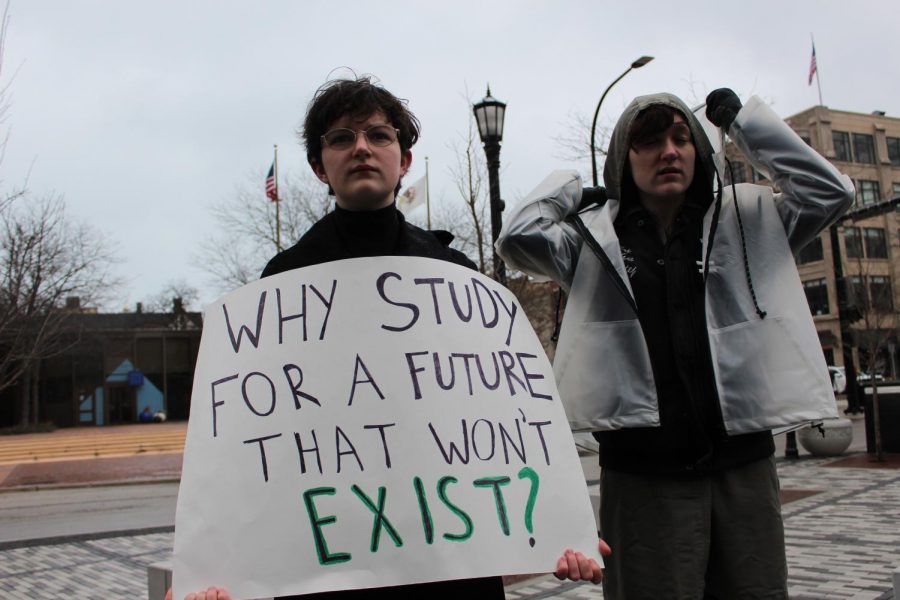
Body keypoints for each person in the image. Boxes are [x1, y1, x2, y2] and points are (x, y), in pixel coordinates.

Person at [170, 75, 606, 600]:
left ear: (403, 160)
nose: (360, 148)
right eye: (341, 138)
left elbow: (498, 426)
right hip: (334, 573)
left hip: (451, 569)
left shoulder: (457, 279)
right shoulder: (279, 289)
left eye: (379, 135)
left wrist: (560, 536)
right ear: (318, 166)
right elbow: (261, 458)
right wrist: (217, 573)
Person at [496, 88, 854, 598]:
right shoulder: (593, 240)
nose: (669, 151)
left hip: (743, 470)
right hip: (643, 480)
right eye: (648, 142)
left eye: (681, 138)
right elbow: (517, 237)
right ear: (623, 159)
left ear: (699, 152)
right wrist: (573, 190)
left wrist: (745, 125)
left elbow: (830, 193)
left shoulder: (752, 222)